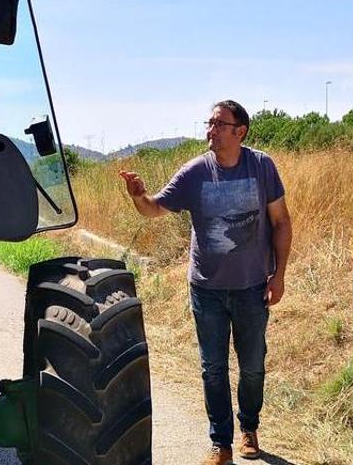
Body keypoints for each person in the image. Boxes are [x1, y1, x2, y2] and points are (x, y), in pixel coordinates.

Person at [119, 100, 292, 464]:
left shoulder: (261, 166)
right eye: (209, 122)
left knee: (253, 364)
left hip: (251, 288)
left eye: (218, 123)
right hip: (207, 290)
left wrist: (279, 274)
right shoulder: (195, 172)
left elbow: (281, 222)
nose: (209, 129)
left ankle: (249, 427)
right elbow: (154, 209)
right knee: (212, 367)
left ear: (239, 131)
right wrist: (138, 196)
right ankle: (221, 443)